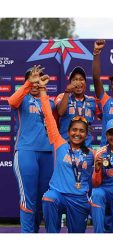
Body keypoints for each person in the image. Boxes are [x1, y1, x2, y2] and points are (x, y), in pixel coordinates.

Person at [37, 69, 94, 233]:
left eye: (81, 131)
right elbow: (49, 114)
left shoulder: (91, 154)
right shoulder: (60, 144)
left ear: (87, 134)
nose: (77, 133)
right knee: (49, 198)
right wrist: (42, 89)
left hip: (78, 198)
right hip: (58, 195)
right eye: (74, 130)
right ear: (68, 131)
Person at [8, 65, 54, 233]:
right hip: (26, 152)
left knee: (44, 198)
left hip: (48, 154)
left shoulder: (49, 101)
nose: (36, 83)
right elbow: (11, 101)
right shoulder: (22, 99)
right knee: (28, 199)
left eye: (39, 79)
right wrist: (29, 83)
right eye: (33, 79)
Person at [55, 66, 99, 147]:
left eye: (81, 79)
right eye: (75, 80)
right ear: (70, 83)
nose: (78, 82)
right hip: (65, 147)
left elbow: (104, 116)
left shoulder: (92, 101)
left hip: (86, 148)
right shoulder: (62, 97)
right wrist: (67, 92)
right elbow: (60, 112)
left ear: (85, 83)